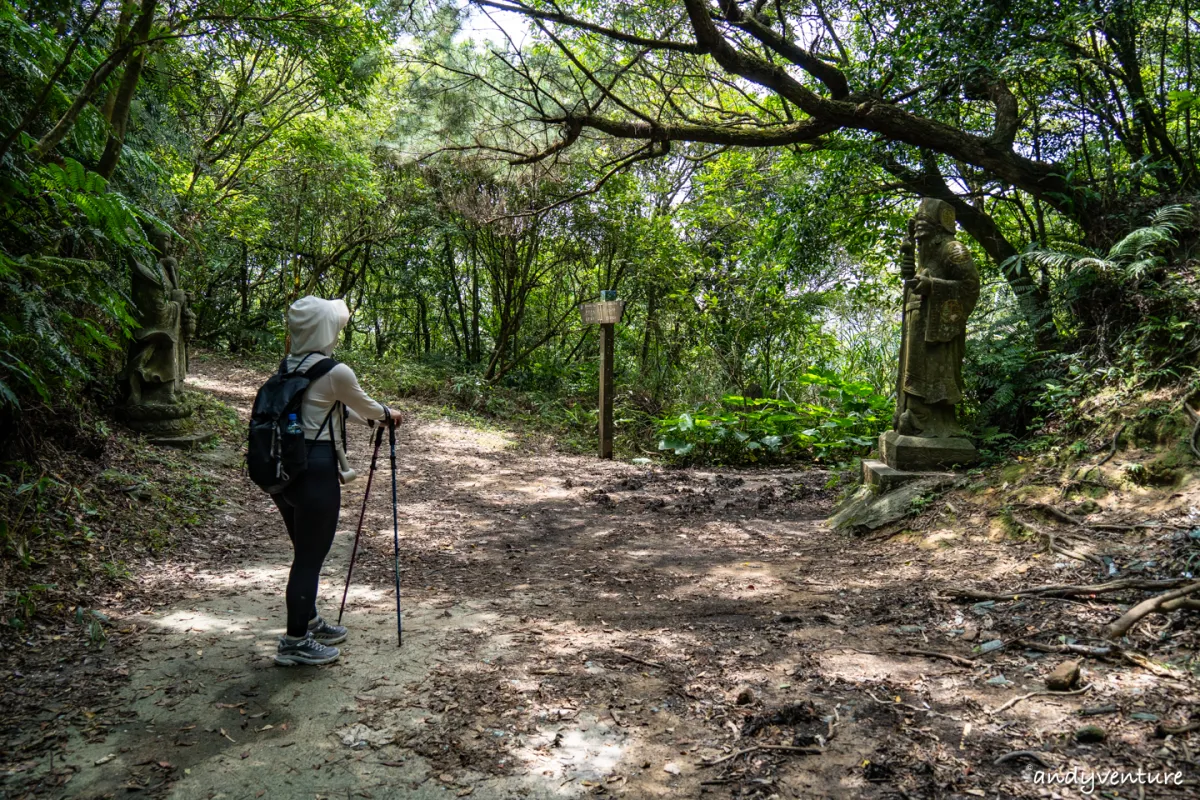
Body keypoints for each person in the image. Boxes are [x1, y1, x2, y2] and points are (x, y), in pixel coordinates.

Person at [272, 296, 398, 666]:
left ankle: (308, 620)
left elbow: (331, 407)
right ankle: (295, 641)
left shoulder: (290, 365)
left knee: (304, 553)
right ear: (325, 329)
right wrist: (390, 415)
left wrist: (370, 418)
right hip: (317, 470)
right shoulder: (335, 370)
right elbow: (368, 407)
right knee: (309, 558)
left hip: (286, 471)